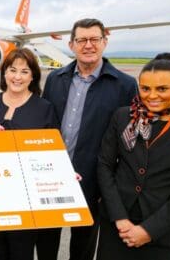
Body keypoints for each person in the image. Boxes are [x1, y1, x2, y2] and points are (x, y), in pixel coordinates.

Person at [97, 53, 170, 260]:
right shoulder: (123, 117)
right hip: (116, 225)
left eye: (162, 89)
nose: (152, 96)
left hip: (161, 231)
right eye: (145, 89)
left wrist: (149, 231)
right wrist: (119, 217)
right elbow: (105, 166)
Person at [42, 18, 138, 260]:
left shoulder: (124, 85)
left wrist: (111, 184)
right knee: (45, 241)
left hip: (94, 180)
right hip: (51, 176)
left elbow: (129, 141)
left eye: (94, 39)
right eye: (81, 40)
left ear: (104, 42)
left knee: (83, 246)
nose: (88, 45)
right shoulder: (55, 79)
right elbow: (43, 124)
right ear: (71, 44)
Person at [0, 48, 60, 260]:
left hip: (27, 197)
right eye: (12, 70)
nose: (17, 77)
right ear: (4, 73)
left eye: (24, 71)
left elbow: (53, 152)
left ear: (33, 77)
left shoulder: (44, 108)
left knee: (22, 250)